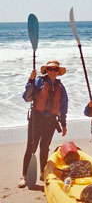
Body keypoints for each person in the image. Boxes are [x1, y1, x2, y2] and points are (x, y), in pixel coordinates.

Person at [18, 60, 68, 188]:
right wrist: (30, 80)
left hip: (51, 121)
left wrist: (63, 124)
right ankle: (24, 176)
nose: (52, 72)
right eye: (50, 69)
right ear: (46, 70)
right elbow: (26, 97)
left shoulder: (61, 87)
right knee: (31, 147)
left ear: (58, 72)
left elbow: (63, 106)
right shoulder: (39, 82)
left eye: (55, 69)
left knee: (45, 147)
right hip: (37, 118)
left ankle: (42, 173)